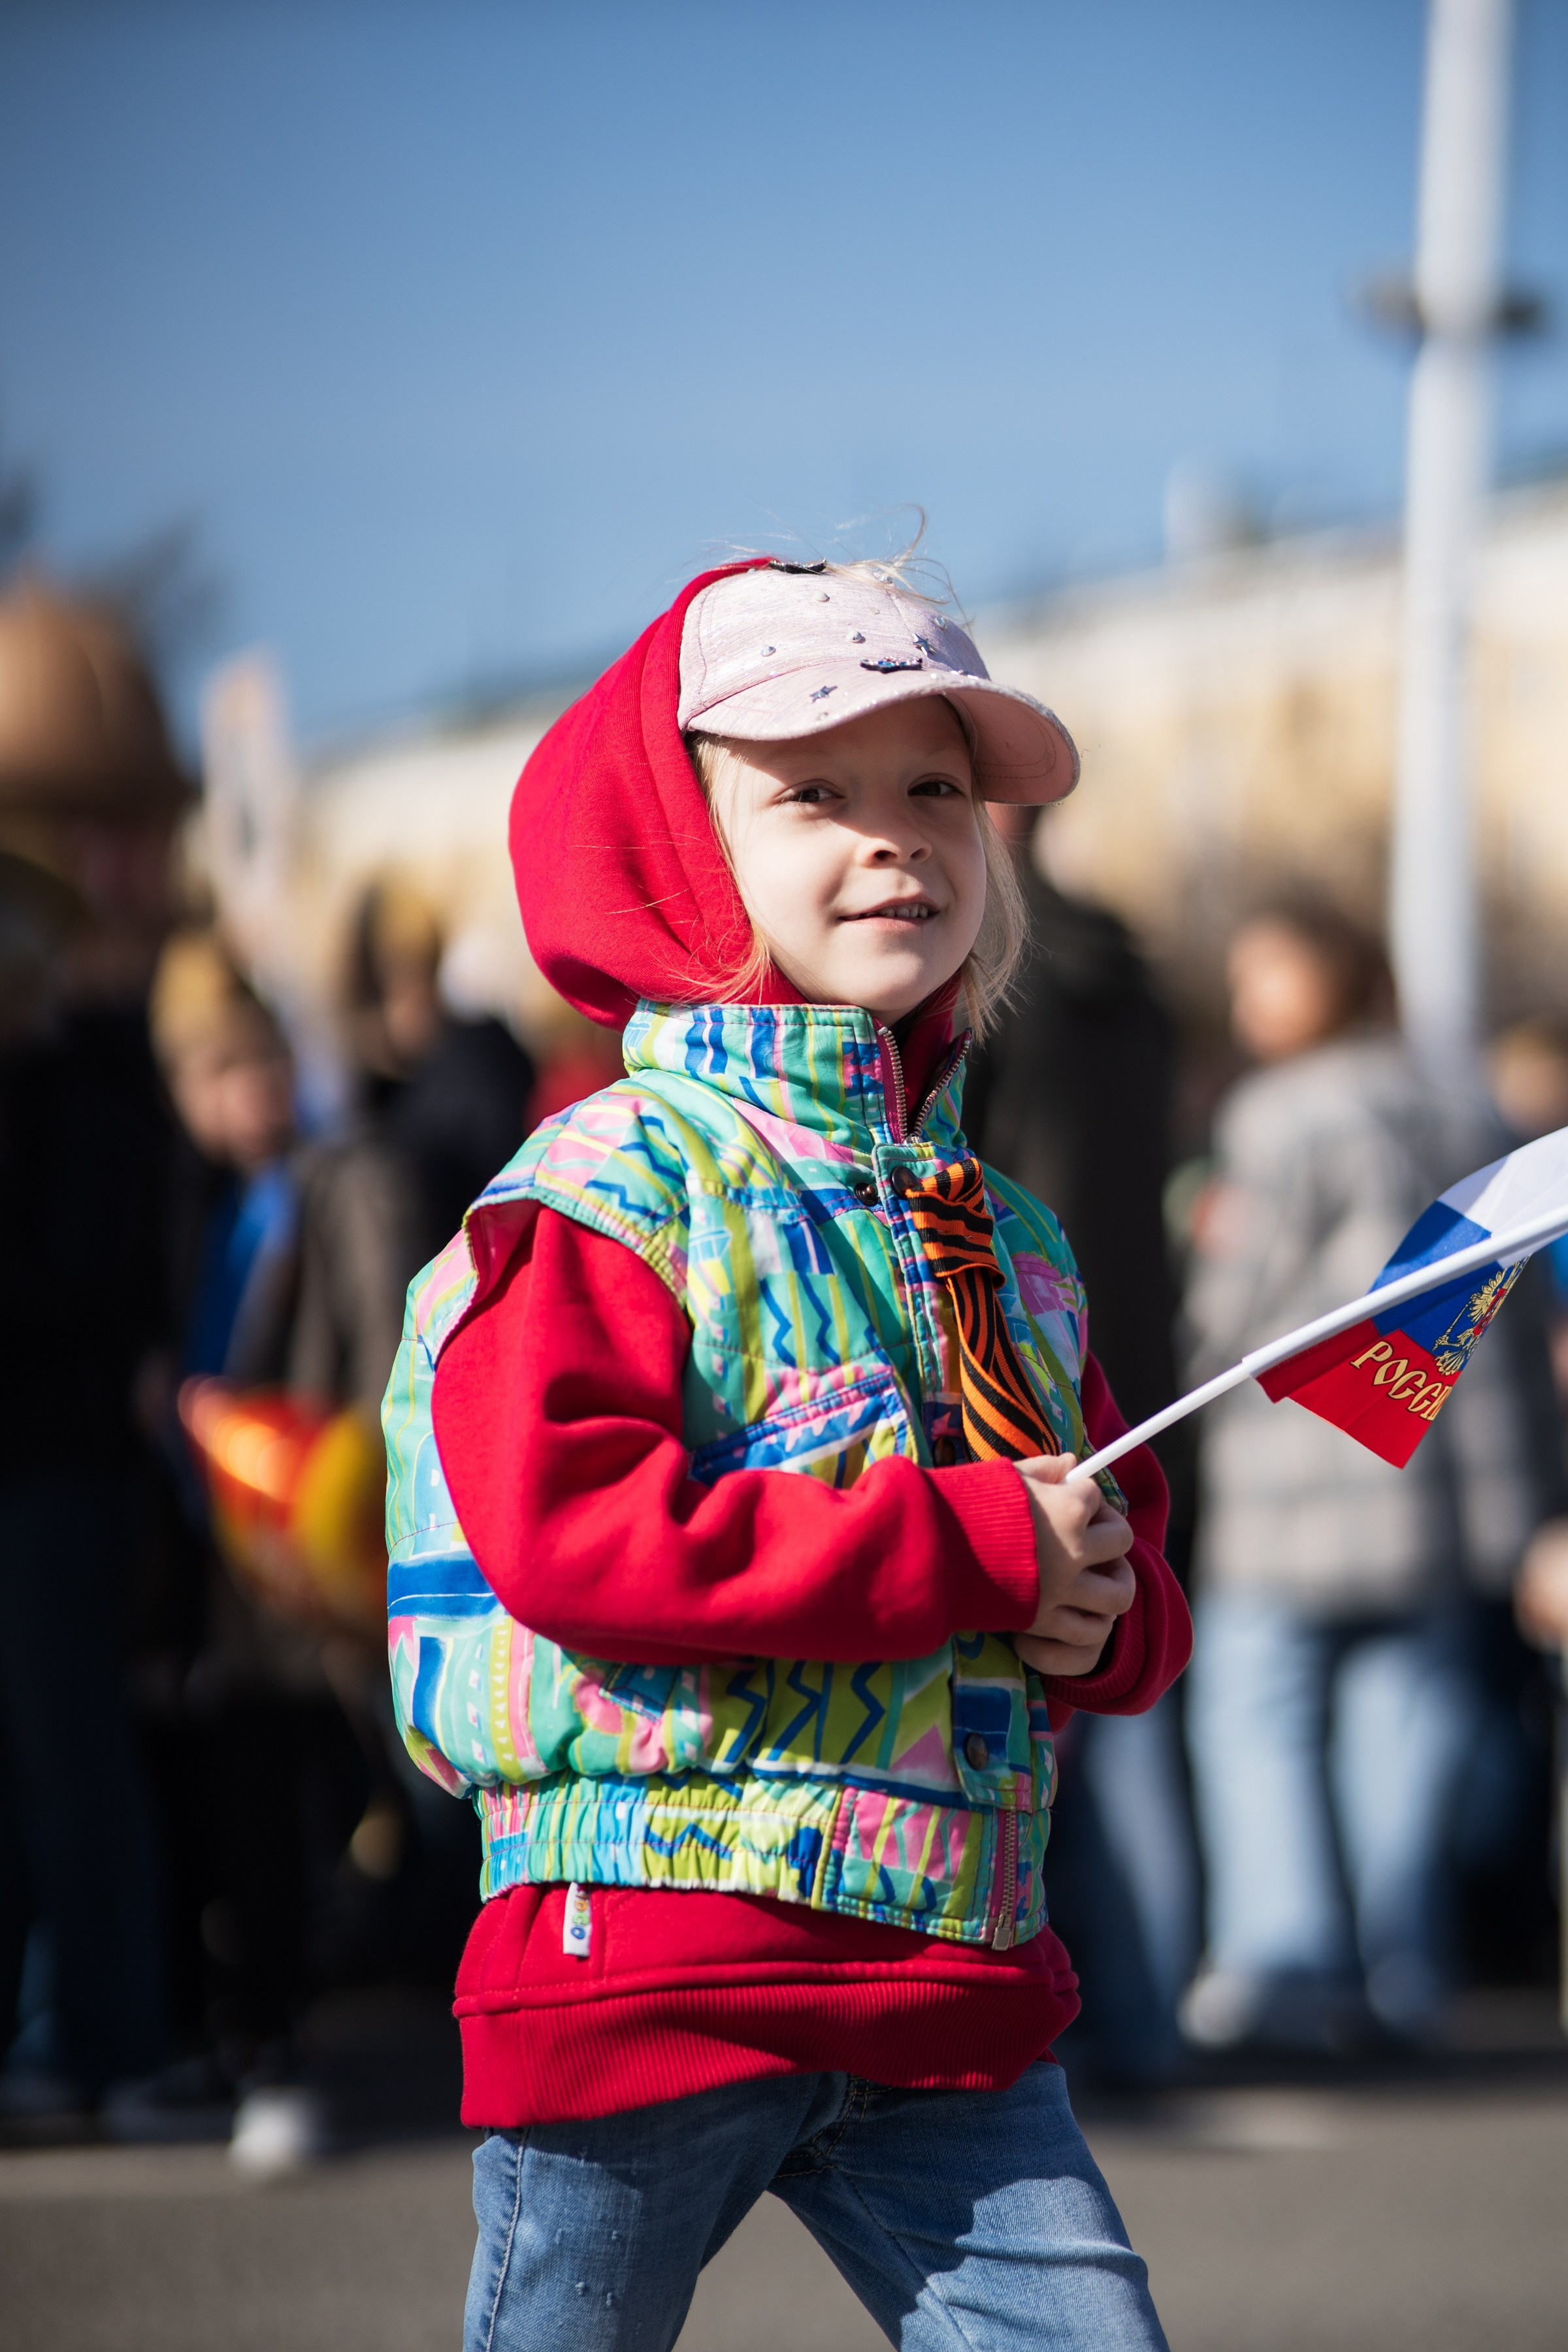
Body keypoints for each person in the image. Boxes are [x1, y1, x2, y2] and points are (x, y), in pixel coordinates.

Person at [385, 558, 1190, 2351]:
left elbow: (1104, 1519)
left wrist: (1107, 1614)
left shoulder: (1003, 1234)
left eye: (935, 793)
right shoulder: (604, 1193)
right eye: (814, 794)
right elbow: (578, 1537)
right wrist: (979, 1553)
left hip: (944, 1994)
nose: (895, 839)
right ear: (684, 853)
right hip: (655, 1962)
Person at [1181, 901, 1561, 2052]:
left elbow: (1232, 1302)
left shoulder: (1280, 1112)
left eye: (1268, 976)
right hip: (1438, 1475)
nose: (1249, 1005)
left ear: (1327, 981)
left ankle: (1286, 1970)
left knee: (1259, 1711)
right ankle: (1401, 1968)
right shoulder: (1462, 1100)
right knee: (1407, 1715)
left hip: (1301, 1478)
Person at [965, 812, 1197, 2083]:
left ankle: (1092, 2011)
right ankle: (1151, 2013)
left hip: (1024, 1339)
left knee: (1050, 1700)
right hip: (1135, 1353)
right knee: (1127, 1686)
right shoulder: (1138, 973)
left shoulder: (999, 977)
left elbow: (970, 1177)